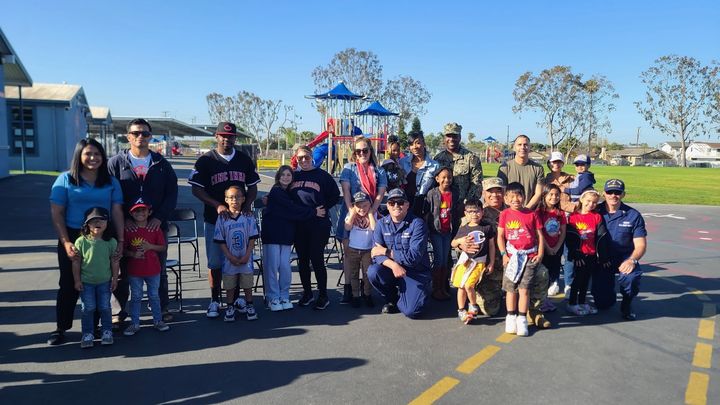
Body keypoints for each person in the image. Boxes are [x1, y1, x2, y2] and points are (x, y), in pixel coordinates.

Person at [48, 138, 124, 346]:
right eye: (88, 154)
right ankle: (61, 327)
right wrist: (65, 242)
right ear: (79, 156)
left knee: (102, 281)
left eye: (97, 154)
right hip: (73, 236)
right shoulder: (65, 180)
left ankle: (97, 326)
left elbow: (117, 211)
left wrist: (121, 240)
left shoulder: (111, 182)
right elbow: (57, 213)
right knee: (68, 284)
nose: (93, 158)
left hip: (104, 237)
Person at [108, 118, 178, 324]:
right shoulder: (115, 163)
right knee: (123, 271)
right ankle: (119, 311)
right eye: (136, 133)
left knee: (159, 268)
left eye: (145, 134)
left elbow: (172, 193)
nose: (141, 137)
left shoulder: (161, 164)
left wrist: (159, 217)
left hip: (154, 227)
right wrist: (124, 219)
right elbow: (110, 195)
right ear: (128, 136)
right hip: (125, 228)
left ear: (150, 137)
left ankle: (161, 307)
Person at [188, 122, 260, 319]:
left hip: (240, 222)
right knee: (215, 262)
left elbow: (252, 187)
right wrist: (216, 205)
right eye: (222, 136)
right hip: (215, 219)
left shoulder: (244, 159)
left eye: (230, 136)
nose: (226, 139)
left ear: (235, 138)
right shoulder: (205, 160)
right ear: (216, 136)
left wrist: (247, 206)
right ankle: (214, 299)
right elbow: (196, 188)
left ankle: (236, 298)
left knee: (237, 259)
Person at [261, 166, 325, 312]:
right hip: (272, 234)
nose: (285, 177)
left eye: (288, 174)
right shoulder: (276, 191)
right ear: (278, 176)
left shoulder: (289, 192)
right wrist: (313, 211)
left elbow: (295, 208)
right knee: (272, 267)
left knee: (284, 267)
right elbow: (292, 209)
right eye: (282, 174)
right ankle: (273, 297)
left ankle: (284, 295)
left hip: (286, 234)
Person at [289, 145, 340, 310]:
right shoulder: (293, 176)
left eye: (306, 157)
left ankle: (323, 295)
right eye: (300, 158)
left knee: (316, 258)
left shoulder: (322, 176)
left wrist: (324, 207)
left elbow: (334, 195)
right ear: (296, 159)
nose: (303, 160)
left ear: (312, 157)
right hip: (299, 224)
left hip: (318, 224)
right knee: (302, 260)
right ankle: (307, 293)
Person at [337, 137, 387, 304]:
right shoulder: (348, 168)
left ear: (370, 151)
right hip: (351, 210)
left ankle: (367, 290)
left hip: (370, 212)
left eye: (365, 150)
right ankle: (348, 289)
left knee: (369, 252)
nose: (362, 153)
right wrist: (352, 211)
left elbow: (380, 194)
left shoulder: (379, 171)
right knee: (349, 253)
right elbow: (346, 191)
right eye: (358, 151)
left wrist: (370, 212)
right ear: (354, 153)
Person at [368, 188, 431, 318]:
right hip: (393, 269)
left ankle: (411, 294)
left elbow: (413, 258)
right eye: (392, 203)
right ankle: (392, 298)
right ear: (388, 206)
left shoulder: (417, 224)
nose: (396, 206)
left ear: (407, 205)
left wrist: (386, 251)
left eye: (400, 202)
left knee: (412, 312)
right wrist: (394, 265)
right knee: (373, 271)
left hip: (415, 271)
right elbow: (376, 254)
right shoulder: (381, 224)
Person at [497, 182, 545, 336]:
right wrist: (504, 254)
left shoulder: (532, 214)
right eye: (511, 196)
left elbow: (540, 236)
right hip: (511, 257)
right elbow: (500, 236)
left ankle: (522, 318)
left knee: (524, 289)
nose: (515, 199)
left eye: (519, 195)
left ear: (524, 197)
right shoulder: (504, 214)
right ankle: (511, 316)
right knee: (511, 289)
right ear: (506, 199)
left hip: (529, 256)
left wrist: (540, 253)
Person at [595, 179, 647, 320]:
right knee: (603, 303)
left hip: (624, 257)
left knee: (631, 277)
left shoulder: (633, 215)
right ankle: (607, 295)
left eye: (617, 192)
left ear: (623, 194)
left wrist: (632, 260)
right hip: (602, 259)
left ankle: (627, 302)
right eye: (609, 192)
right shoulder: (595, 211)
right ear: (603, 194)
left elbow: (640, 244)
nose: (613, 195)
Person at [72, 207, 119, 348]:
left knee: (105, 307)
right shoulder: (81, 242)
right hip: (86, 283)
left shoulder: (111, 242)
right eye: (93, 221)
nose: (97, 223)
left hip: (105, 281)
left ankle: (107, 331)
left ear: (107, 223)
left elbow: (114, 262)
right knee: (88, 308)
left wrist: (115, 278)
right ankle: (87, 333)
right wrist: (77, 280)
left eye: (101, 220)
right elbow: (76, 262)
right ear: (87, 224)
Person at [122, 199, 170, 336]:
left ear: (149, 212)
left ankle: (158, 320)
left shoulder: (155, 229)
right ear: (131, 214)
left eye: (143, 210)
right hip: (135, 270)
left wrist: (150, 247)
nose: (140, 213)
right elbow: (123, 250)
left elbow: (162, 247)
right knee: (136, 296)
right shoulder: (129, 230)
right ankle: (134, 323)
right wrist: (133, 254)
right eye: (136, 211)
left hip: (153, 269)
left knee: (154, 296)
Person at [214, 185, 259, 322]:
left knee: (247, 283)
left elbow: (252, 238)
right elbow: (220, 240)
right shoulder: (222, 218)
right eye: (231, 197)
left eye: (238, 197)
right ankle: (230, 307)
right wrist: (229, 256)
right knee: (230, 284)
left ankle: (250, 305)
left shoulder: (248, 217)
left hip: (245, 256)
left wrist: (247, 255)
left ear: (243, 199)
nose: (235, 200)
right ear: (226, 200)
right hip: (230, 258)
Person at [450, 198, 495, 324]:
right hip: (464, 261)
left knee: (469, 285)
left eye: (477, 211)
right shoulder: (463, 228)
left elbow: (491, 246)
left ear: (482, 212)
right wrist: (460, 242)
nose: (474, 214)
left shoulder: (486, 227)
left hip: (479, 262)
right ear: (465, 213)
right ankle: (461, 309)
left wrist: (491, 263)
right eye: (470, 212)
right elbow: (453, 243)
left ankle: (473, 305)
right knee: (460, 286)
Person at [565, 189, 609, 316]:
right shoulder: (573, 217)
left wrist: (603, 256)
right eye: (588, 201)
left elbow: (601, 236)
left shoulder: (596, 217)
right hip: (579, 255)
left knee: (586, 280)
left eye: (594, 202)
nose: (591, 204)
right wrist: (575, 252)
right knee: (577, 279)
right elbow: (570, 238)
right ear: (581, 200)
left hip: (591, 254)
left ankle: (583, 301)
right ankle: (572, 303)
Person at [423, 166, 461, 300]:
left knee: (445, 260)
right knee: (439, 260)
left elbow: (457, 212)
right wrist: (427, 231)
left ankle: (443, 288)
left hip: (449, 231)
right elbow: (427, 213)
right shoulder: (432, 193)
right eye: (443, 177)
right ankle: (436, 288)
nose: (446, 180)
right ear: (437, 179)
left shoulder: (455, 193)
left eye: (449, 177)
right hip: (436, 231)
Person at [474, 177, 507, 317]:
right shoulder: (478, 215)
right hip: (490, 271)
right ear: (483, 194)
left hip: (512, 266)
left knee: (541, 275)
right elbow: (461, 238)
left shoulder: (514, 212)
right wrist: (461, 243)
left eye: (498, 191)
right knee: (490, 311)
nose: (494, 195)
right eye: (490, 191)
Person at [433, 122, 483, 204]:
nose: (451, 139)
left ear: (459, 137)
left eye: (455, 136)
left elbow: (477, 185)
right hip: (442, 205)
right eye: (448, 136)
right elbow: (434, 183)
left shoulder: (471, 158)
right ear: (444, 138)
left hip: (463, 206)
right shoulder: (437, 159)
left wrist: (466, 203)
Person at [343, 192, 377, 308]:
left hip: (367, 250)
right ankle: (355, 295)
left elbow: (374, 228)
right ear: (354, 206)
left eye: (365, 206)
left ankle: (367, 294)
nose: (362, 209)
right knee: (354, 273)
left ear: (370, 205)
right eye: (359, 206)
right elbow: (347, 227)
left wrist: (371, 213)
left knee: (367, 275)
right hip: (353, 249)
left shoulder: (373, 215)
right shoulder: (351, 214)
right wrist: (352, 212)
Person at [536, 184, 566, 308]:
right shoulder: (539, 213)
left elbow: (563, 231)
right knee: (543, 275)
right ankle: (540, 300)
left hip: (556, 249)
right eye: (551, 194)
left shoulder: (560, 213)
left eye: (557, 195)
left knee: (553, 273)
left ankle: (546, 299)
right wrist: (548, 247)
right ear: (544, 196)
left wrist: (557, 247)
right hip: (544, 248)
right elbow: (539, 233)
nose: (554, 197)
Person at [497, 135, 544, 209]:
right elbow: (503, 192)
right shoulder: (504, 167)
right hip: (510, 211)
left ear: (530, 147)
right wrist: (513, 210)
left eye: (525, 145)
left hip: (529, 211)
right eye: (519, 145)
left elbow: (538, 193)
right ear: (514, 147)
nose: (522, 147)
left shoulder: (538, 168)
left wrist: (526, 209)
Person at [399, 130, 439, 215]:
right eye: (411, 144)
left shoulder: (434, 166)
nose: (414, 147)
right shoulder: (402, 162)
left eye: (417, 143)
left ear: (424, 143)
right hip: (403, 208)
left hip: (424, 209)